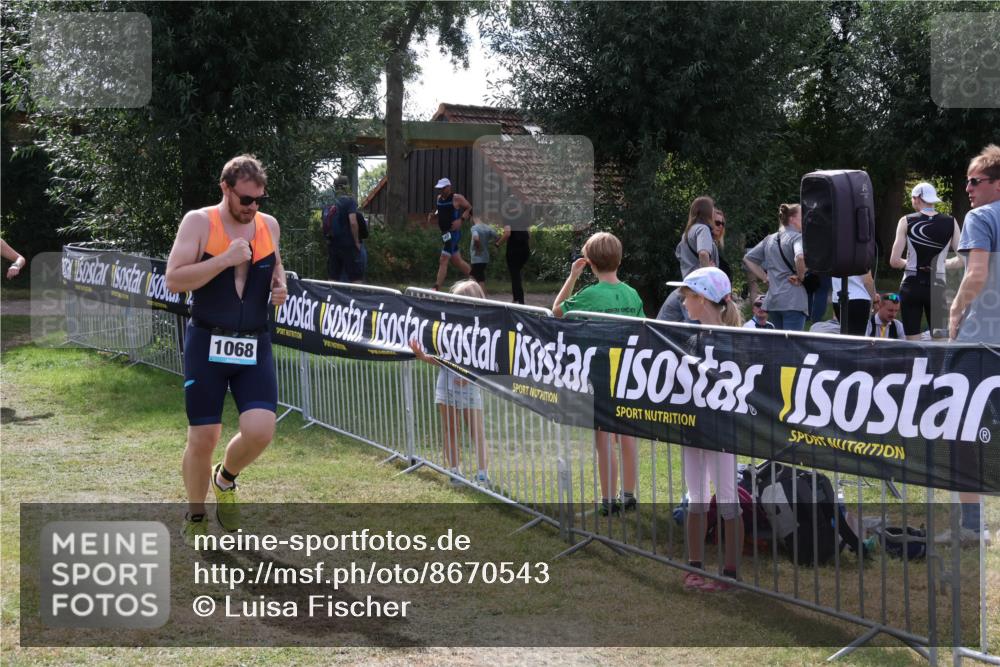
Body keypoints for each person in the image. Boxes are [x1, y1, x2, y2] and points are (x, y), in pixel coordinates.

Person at [165, 154, 288, 545]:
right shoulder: (199, 222)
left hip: (254, 342)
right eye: (246, 199)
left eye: (259, 200)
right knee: (203, 436)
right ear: (225, 189)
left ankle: (226, 478)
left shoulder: (268, 226)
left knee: (260, 431)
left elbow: (277, 272)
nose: (253, 207)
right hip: (207, 340)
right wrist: (224, 260)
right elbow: (174, 280)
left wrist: (280, 290)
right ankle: (196, 513)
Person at [665, 267, 744, 591]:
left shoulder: (736, 340)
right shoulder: (690, 338)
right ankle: (694, 567)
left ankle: (730, 574)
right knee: (696, 499)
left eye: (687, 295)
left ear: (703, 299)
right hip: (693, 428)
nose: (682, 301)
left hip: (722, 432)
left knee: (727, 500)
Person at [554, 232, 644, 515]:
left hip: (602, 374)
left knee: (604, 437)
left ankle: (607, 500)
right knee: (627, 435)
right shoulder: (632, 293)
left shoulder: (589, 295)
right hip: (629, 373)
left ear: (589, 262)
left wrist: (572, 277)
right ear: (619, 259)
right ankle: (628, 495)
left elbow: (556, 311)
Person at [945, 143, 1000, 547]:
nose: (968, 187)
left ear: (997, 186)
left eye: (976, 181)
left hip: (981, 342)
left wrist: (953, 311)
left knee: (962, 429)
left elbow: (977, 274)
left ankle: (970, 525)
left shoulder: (981, 216)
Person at [408, 280, 490, 486]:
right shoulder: (448, 328)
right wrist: (421, 355)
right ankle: (454, 471)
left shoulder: (484, 331)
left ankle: (483, 474)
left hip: (470, 389)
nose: (455, 307)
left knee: (476, 431)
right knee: (450, 429)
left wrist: (469, 375)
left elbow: (487, 362)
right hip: (445, 386)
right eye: (454, 302)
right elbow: (439, 358)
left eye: (460, 302)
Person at [889, 182, 960, 340]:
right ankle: (937, 366)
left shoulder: (906, 221)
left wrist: (912, 265)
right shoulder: (951, 222)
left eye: (913, 199)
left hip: (911, 284)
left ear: (917, 198)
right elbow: (962, 260)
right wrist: (942, 265)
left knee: (913, 342)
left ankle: (917, 365)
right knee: (940, 341)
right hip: (938, 285)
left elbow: (894, 261)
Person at [743, 203, 808, 331]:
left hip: (774, 300)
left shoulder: (769, 239)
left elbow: (748, 259)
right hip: (793, 300)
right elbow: (799, 257)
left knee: (780, 345)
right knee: (792, 346)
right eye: (802, 215)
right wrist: (801, 277)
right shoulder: (797, 237)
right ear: (792, 219)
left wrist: (765, 277)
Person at [427, 177, 472, 291]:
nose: (441, 190)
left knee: (443, 259)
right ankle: (475, 277)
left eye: (443, 188)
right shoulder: (439, 198)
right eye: (439, 188)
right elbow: (440, 210)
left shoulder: (457, 198)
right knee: (457, 261)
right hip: (445, 233)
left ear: (448, 187)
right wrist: (434, 215)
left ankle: (436, 288)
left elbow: (469, 208)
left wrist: (461, 220)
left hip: (454, 233)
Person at [326, 175, 365, 283]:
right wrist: (356, 242)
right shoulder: (349, 201)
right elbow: (353, 222)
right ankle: (355, 299)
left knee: (333, 277)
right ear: (346, 186)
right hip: (348, 244)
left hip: (333, 244)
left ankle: (330, 298)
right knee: (355, 278)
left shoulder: (330, 202)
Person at [676, 196, 719, 278]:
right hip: (700, 282)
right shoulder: (703, 229)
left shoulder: (687, 232)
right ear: (707, 211)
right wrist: (708, 272)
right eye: (713, 209)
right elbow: (703, 253)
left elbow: (679, 255)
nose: (715, 212)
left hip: (688, 281)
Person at [831, 271, 876, 336]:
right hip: (859, 299)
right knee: (857, 338)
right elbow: (867, 281)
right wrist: (874, 297)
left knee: (845, 335)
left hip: (838, 298)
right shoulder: (862, 259)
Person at [469, 218, 498, 294]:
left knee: (479, 279)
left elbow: (476, 238)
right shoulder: (488, 228)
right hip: (485, 258)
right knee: (472, 276)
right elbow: (497, 236)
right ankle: (471, 295)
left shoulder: (474, 228)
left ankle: (484, 298)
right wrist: (491, 243)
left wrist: (479, 247)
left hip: (477, 258)